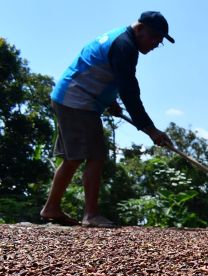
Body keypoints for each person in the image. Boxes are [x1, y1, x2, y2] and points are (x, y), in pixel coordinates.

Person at [41, 11, 175, 227]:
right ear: (139, 28)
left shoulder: (122, 40)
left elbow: (105, 70)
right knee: (95, 155)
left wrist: (109, 101)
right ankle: (91, 214)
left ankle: (52, 208)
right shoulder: (125, 46)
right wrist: (151, 130)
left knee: (72, 157)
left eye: (159, 42)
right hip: (78, 99)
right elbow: (129, 92)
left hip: (69, 96)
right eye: (153, 38)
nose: (154, 44)